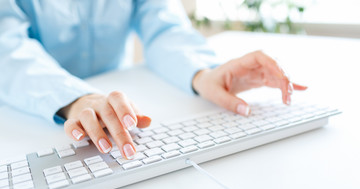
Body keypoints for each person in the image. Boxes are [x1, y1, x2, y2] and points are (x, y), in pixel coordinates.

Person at [0, 0, 307, 160]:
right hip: (30, 115)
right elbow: (8, 47)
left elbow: (164, 28)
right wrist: (74, 98)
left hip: (117, 105)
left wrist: (203, 74)